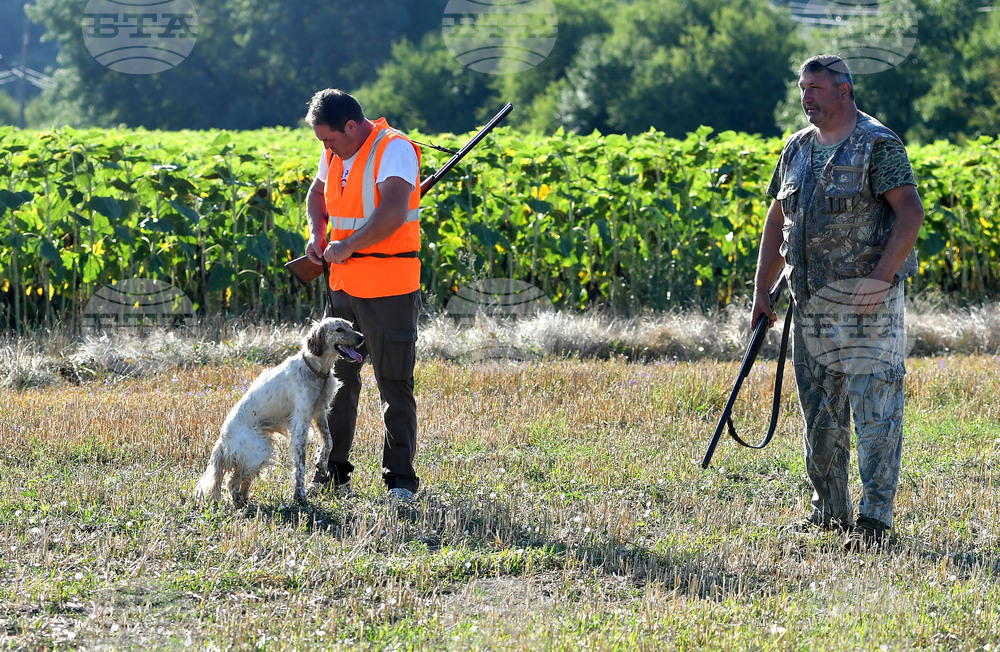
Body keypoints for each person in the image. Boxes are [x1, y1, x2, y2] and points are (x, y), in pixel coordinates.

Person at [752, 55, 925, 550]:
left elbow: (909, 212)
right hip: (810, 306)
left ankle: (875, 520)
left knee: (876, 413)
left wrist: (880, 277)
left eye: (817, 88)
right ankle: (829, 511)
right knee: (821, 414)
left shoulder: (878, 143)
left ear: (844, 91)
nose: (806, 97)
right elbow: (775, 220)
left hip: (867, 307)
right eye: (802, 88)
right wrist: (763, 292)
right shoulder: (797, 149)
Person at [302, 88, 422, 501]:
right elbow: (317, 195)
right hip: (342, 288)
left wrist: (349, 244)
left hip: (388, 288)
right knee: (336, 382)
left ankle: (400, 482)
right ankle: (333, 473)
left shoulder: (395, 149)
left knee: (394, 383)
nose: (326, 148)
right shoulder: (335, 151)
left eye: (330, 139)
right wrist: (319, 234)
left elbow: (391, 212)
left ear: (351, 125)